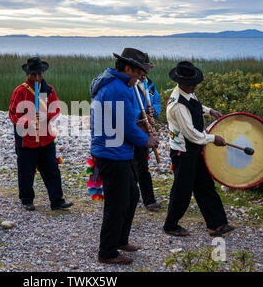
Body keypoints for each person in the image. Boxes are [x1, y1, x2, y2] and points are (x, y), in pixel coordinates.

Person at [90, 48, 159, 265]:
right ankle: (107, 252)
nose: (142, 76)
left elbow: (123, 120)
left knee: (131, 194)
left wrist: (144, 125)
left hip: (117, 151)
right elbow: (124, 126)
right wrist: (146, 140)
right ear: (127, 67)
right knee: (117, 203)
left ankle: (121, 240)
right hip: (111, 153)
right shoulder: (117, 89)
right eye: (139, 71)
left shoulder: (123, 86)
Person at [163, 61, 235, 237]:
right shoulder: (178, 105)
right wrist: (213, 139)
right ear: (181, 83)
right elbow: (191, 134)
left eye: (194, 82)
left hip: (194, 149)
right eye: (191, 84)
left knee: (205, 185)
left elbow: (195, 106)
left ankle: (216, 224)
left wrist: (210, 111)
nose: (195, 86)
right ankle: (170, 225)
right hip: (183, 151)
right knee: (182, 190)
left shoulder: (187, 93)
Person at [9, 57, 73, 211]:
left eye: (40, 74)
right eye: (34, 74)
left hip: (46, 139)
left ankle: (57, 201)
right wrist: (28, 122)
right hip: (26, 140)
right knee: (26, 172)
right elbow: (13, 114)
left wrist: (47, 117)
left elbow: (56, 109)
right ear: (28, 74)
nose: (37, 77)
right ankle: (27, 200)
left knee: (52, 170)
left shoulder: (48, 89)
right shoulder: (20, 91)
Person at [131, 54, 162, 212]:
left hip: (145, 129)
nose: (146, 73)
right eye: (145, 69)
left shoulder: (150, 85)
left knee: (139, 164)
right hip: (135, 129)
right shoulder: (130, 86)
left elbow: (157, 103)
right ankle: (148, 200)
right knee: (140, 165)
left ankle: (133, 195)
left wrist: (153, 111)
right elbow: (130, 108)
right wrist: (140, 115)